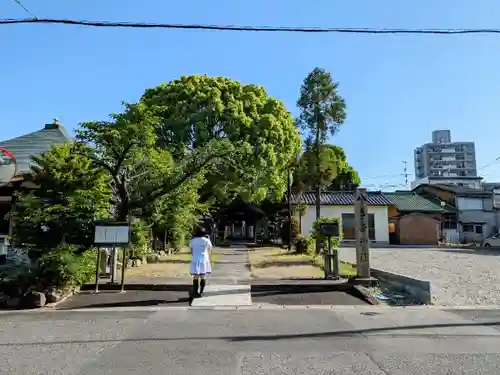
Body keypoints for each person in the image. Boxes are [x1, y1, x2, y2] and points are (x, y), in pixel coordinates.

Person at [189, 226, 212, 298]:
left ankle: (195, 292)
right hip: (204, 260)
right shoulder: (206, 240)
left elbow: (192, 251)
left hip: (195, 259)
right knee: (203, 276)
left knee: (195, 276)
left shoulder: (192, 240)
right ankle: (201, 292)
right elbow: (209, 249)